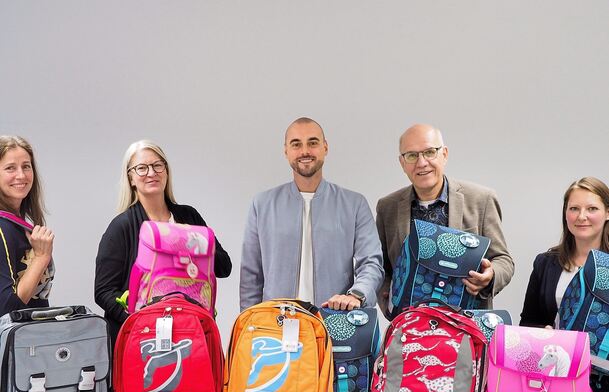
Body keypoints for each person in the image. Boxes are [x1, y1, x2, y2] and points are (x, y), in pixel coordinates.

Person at [95, 140, 232, 346]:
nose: (151, 173)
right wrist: (139, 320)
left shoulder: (188, 216)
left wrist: (188, 243)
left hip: (189, 332)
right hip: (140, 339)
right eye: (141, 168)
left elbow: (224, 267)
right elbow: (103, 291)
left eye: (158, 165)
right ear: (131, 178)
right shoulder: (122, 226)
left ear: (166, 172)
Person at [239, 117, 384, 311]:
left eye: (313, 143)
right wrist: (249, 325)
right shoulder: (263, 204)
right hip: (275, 326)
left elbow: (372, 262)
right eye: (296, 144)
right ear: (286, 151)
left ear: (325, 147)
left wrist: (357, 294)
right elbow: (251, 275)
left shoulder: (354, 204)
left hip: (333, 321)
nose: (305, 151)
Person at [376, 124, 514, 318]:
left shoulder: (481, 199)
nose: (422, 162)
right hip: (409, 326)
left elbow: (503, 260)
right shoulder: (387, 207)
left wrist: (489, 277)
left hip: (467, 326)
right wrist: (389, 303)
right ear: (402, 162)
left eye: (429, 152)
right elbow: (382, 267)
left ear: (445, 154)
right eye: (412, 155)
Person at [519, 176, 609, 392]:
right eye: (574, 209)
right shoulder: (546, 263)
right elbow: (528, 322)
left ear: (608, 212)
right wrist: (543, 335)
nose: (582, 216)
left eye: (591, 208)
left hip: (604, 390)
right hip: (556, 383)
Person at [0, 136, 54, 315]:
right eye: (10, 168)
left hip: (30, 339)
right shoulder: (2, 228)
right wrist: (40, 258)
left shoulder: (21, 225)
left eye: (26, 166)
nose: (21, 175)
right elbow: (8, 309)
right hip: (10, 341)